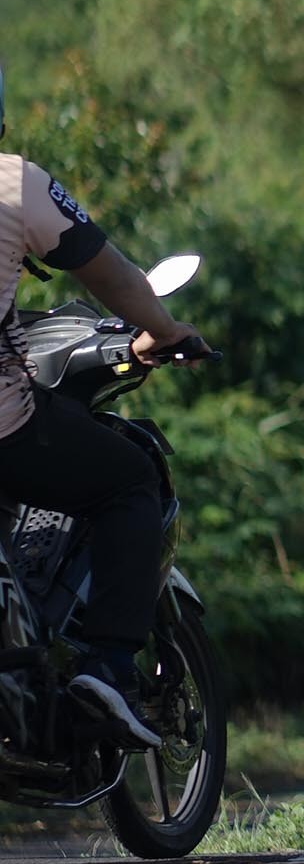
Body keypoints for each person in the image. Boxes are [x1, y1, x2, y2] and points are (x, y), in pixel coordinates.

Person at [0, 128, 207, 750]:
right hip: (7, 427)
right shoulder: (14, 183)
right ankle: (108, 668)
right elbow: (113, 277)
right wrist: (164, 330)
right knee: (129, 479)